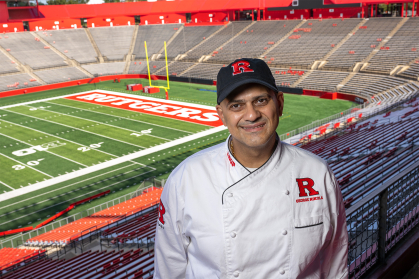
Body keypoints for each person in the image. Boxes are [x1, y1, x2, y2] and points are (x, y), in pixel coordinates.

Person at [154, 58, 348, 279]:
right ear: (221, 114)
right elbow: (169, 267)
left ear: (280, 103)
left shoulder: (317, 173)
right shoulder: (186, 178)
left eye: (261, 101)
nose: (252, 115)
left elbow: (336, 261)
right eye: (237, 105)